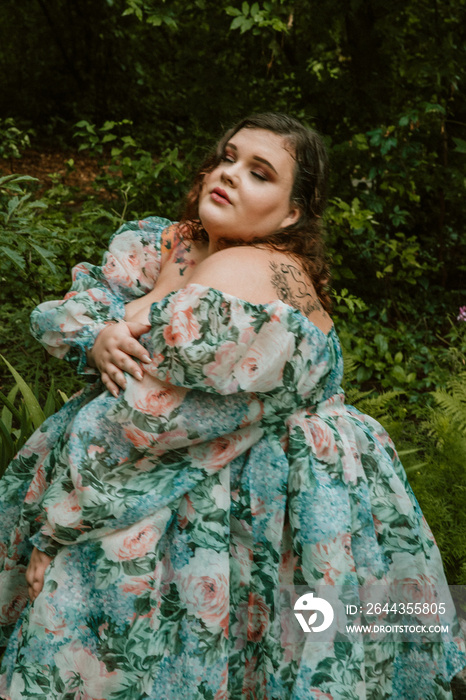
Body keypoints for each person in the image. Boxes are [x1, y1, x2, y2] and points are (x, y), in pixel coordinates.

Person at [0, 113, 464, 700]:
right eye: (228, 157)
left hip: (240, 491)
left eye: (260, 172)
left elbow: (147, 416)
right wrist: (99, 335)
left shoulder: (246, 269)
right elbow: (73, 316)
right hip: (215, 478)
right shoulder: (172, 242)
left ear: (292, 213)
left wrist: (58, 526)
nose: (229, 174)